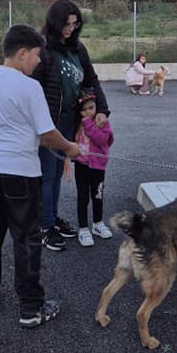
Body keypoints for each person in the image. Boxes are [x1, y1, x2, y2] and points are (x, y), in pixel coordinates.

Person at [0, 24, 81, 328]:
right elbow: (47, 135)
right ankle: (31, 308)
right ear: (22, 53)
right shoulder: (29, 87)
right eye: (36, 55)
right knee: (26, 239)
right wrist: (71, 148)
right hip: (20, 173)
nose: (38, 61)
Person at [32, 0, 110, 252]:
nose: (70, 29)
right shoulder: (43, 50)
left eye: (75, 24)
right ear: (54, 22)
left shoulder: (78, 49)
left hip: (70, 120)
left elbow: (92, 79)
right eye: (66, 23)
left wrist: (103, 109)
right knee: (48, 175)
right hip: (48, 122)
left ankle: (52, 219)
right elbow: (32, 88)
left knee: (56, 174)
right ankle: (44, 227)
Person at [72, 88, 115, 247]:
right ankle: (83, 228)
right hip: (81, 165)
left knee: (97, 195)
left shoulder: (102, 122)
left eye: (91, 107)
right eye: (84, 110)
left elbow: (101, 140)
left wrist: (88, 123)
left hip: (98, 166)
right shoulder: (78, 124)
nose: (88, 112)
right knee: (83, 197)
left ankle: (98, 223)